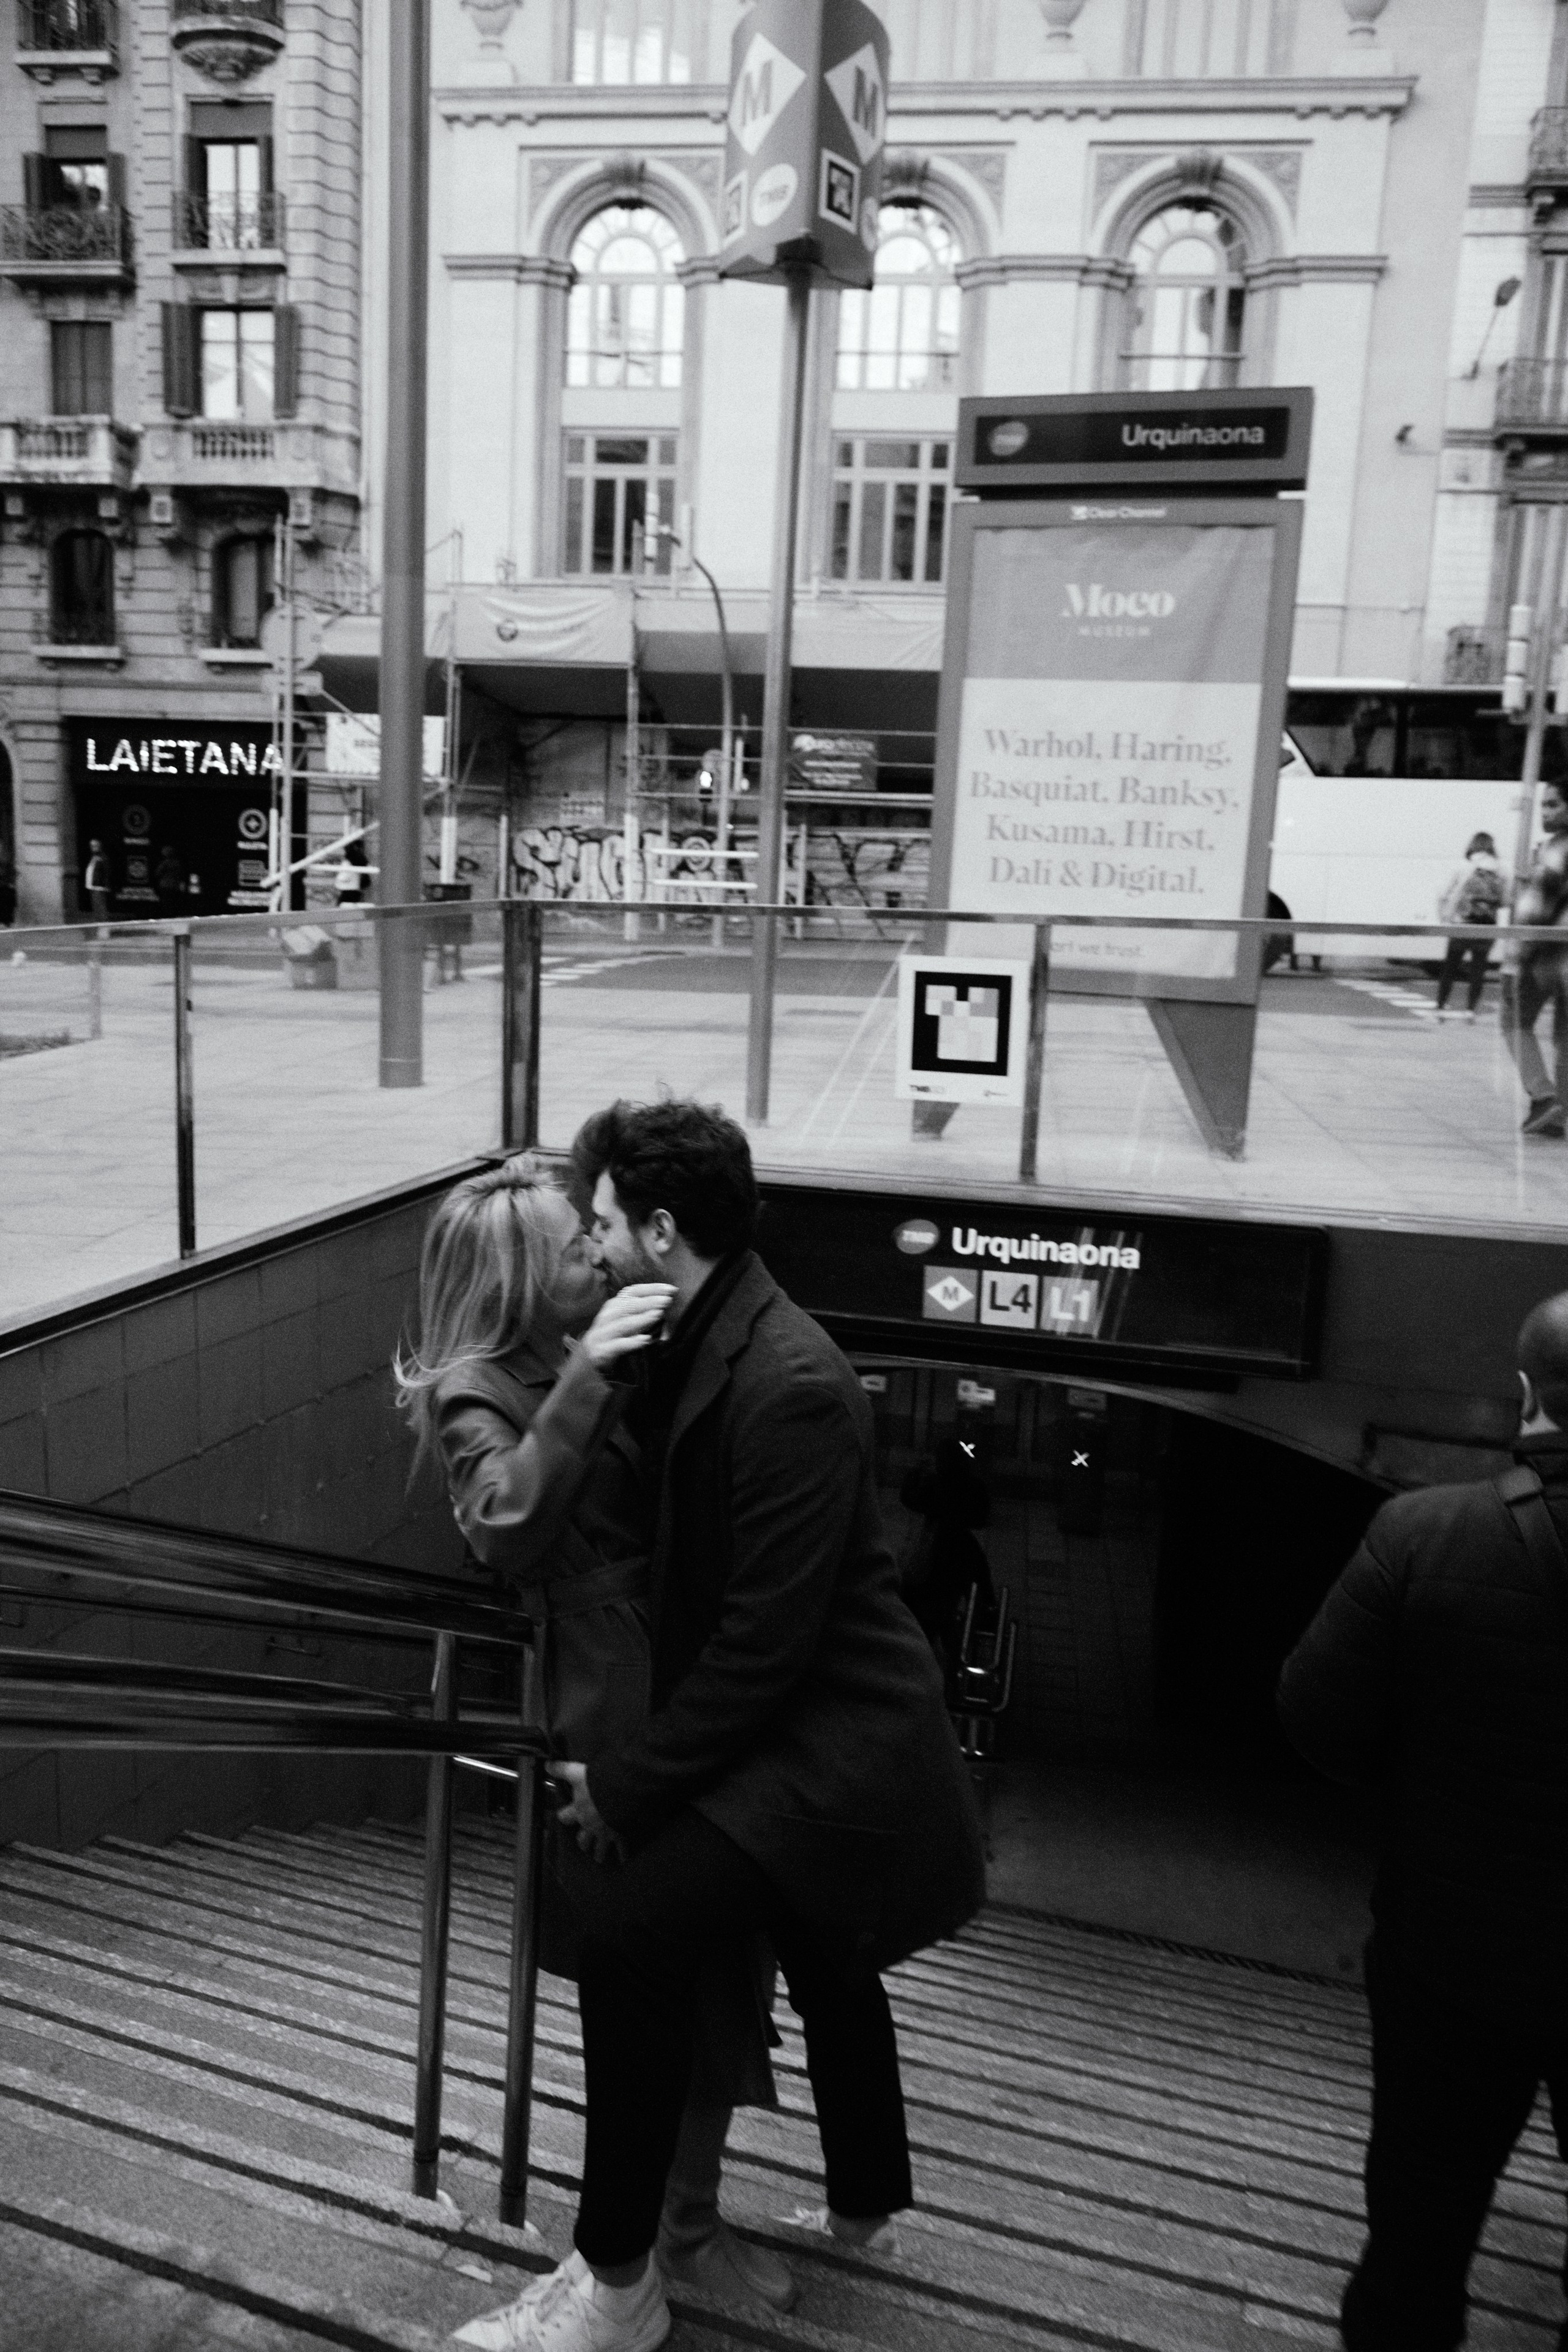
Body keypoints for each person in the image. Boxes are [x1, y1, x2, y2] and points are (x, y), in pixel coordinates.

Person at [459, 1099, 986, 2352]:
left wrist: (628, 1786)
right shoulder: (699, 1322)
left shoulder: (787, 1381)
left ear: (657, 1231)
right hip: (779, 1726)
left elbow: (766, 1645)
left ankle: (619, 2280)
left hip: (833, 1750)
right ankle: (826, 2212)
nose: (586, 1252)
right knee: (797, 1957)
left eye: (599, 1227)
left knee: (635, 1932)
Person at [392, 1161, 797, 2333]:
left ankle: (678, 2226)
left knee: (716, 1973)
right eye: (577, 1247)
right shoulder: (484, 1385)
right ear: (524, 1280)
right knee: (648, 1987)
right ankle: (649, 2246)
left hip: (679, 1680)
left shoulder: (610, 1338)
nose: (600, 1255)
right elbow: (506, 1523)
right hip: (610, 1719)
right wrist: (588, 1375)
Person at [1276, 1290, 1568, 2352]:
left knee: (1420, 2227)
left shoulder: (1424, 1532)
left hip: (1454, 1960)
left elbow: (1315, 1721)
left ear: (1526, 1396)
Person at [1502, 780, 1568, 1134]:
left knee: (1513, 1021)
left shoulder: (1558, 848)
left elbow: (1536, 907)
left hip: (1548, 954)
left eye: (1553, 805)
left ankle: (1544, 1097)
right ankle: (1559, 1113)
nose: (1546, 812)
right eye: (1545, 805)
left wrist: (1516, 953)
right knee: (1565, 1036)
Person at [1434, 831, 1505, 1018]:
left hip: (1462, 926)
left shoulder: (1462, 866)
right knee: (1478, 971)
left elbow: (1442, 894)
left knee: (1450, 968)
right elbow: (1506, 901)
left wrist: (1444, 918)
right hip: (1486, 928)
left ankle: (1441, 1006)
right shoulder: (1500, 869)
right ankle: (1470, 1010)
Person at [334, 835, 369, 908]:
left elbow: (343, 877)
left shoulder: (351, 861)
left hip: (350, 890)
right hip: (352, 890)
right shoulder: (353, 861)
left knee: (344, 908)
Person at [83, 839, 111, 921]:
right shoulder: (93, 857)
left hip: (99, 887)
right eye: (92, 846)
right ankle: (99, 926)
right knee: (96, 908)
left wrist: (106, 885)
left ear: (99, 846)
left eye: (95, 845)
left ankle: (104, 928)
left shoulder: (103, 858)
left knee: (101, 908)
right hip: (92, 886)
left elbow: (107, 872)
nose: (93, 847)